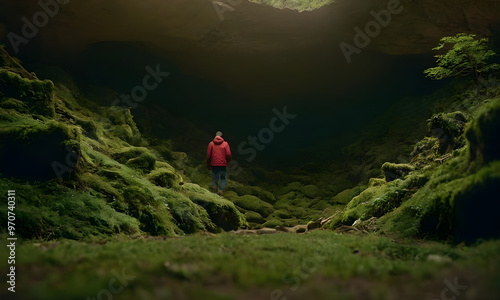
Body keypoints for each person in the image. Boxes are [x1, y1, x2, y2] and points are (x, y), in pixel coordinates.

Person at [206, 131, 232, 195]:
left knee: (215, 178)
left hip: (214, 164)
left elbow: (208, 156)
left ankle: (215, 188)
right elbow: (228, 154)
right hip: (223, 164)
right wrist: (229, 162)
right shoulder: (225, 144)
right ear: (221, 136)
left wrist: (208, 164)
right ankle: (221, 190)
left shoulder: (211, 144)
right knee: (223, 178)